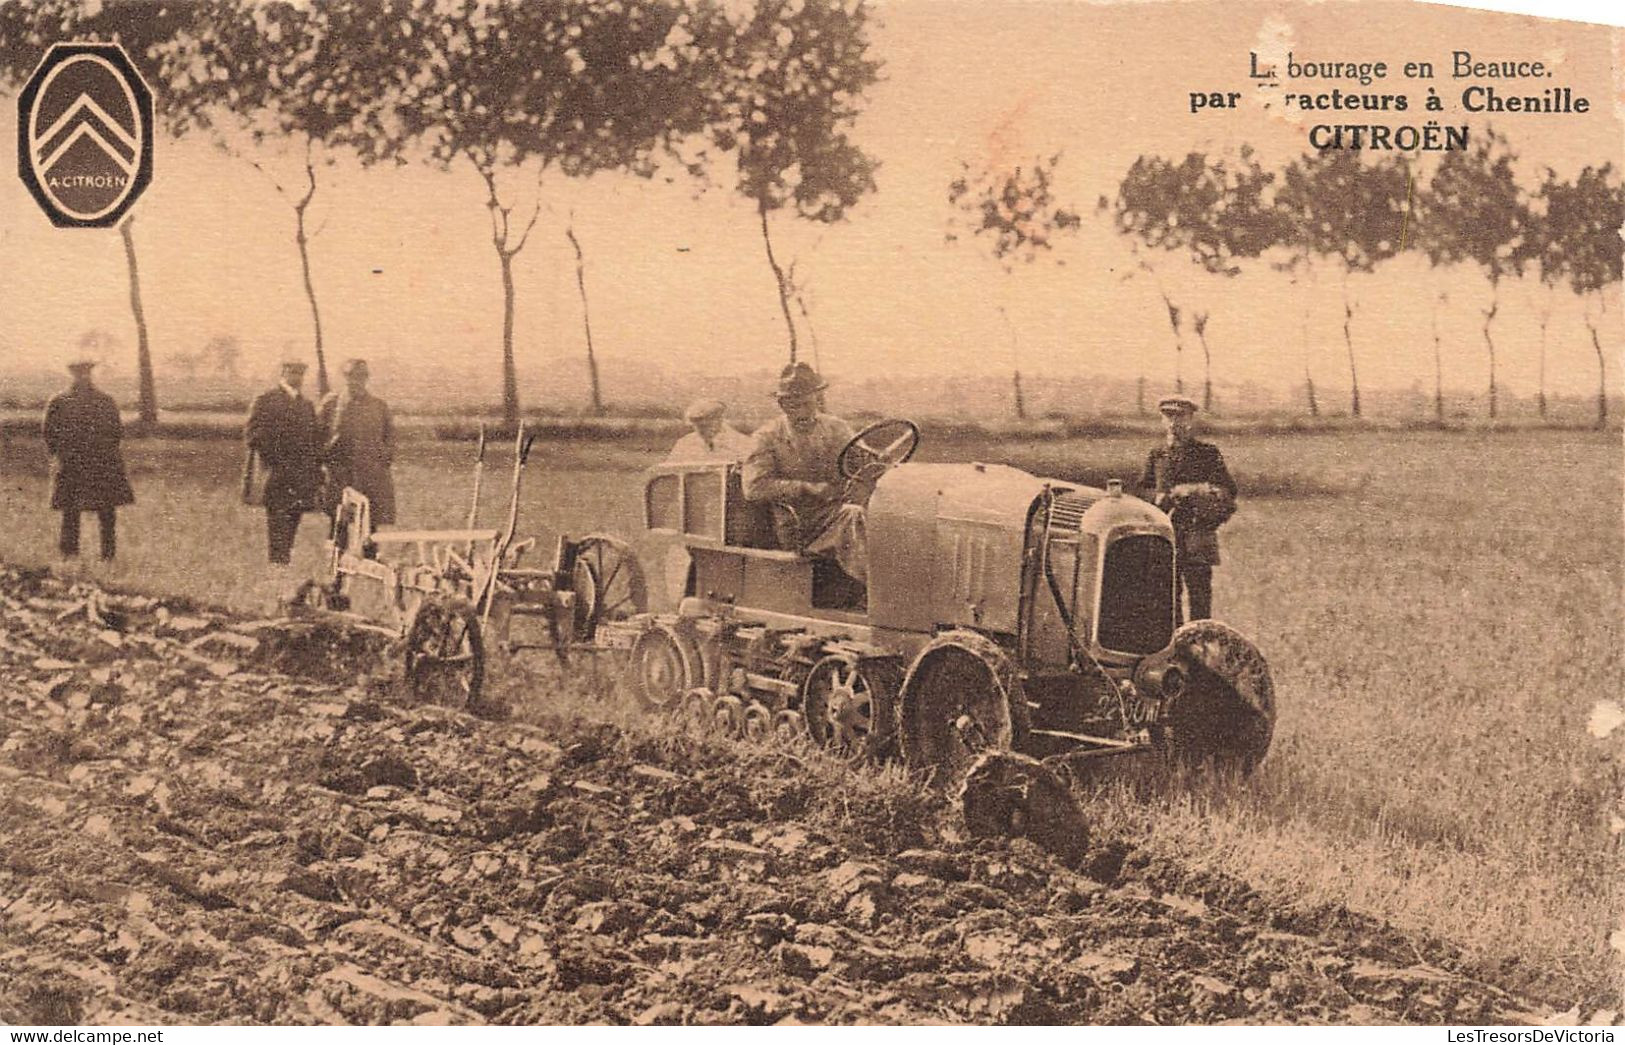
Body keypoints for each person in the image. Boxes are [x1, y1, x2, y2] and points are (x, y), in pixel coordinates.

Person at [741, 363, 867, 585]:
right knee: (853, 516)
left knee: (885, 514)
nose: (804, 413)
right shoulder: (767, 437)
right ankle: (877, 595)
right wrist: (808, 488)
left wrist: (876, 463)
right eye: (795, 406)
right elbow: (754, 488)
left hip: (836, 509)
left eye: (808, 404)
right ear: (782, 404)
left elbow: (861, 459)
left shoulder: (837, 428)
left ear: (817, 399)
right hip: (799, 522)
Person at [1140, 394, 1237, 624]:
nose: (1174, 423)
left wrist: (1192, 491)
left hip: (1198, 535)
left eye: (1180, 416)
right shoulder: (1157, 455)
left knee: (1200, 598)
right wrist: (1159, 498)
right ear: (1162, 420)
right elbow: (1142, 490)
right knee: (1167, 599)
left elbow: (1227, 490)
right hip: (1166, 536)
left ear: (1191, 419)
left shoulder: (1208, 454)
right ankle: (1172, 652)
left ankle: (1198, 648)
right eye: (1168, 416)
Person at [41, 358, 133, 561]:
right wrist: (61, 455)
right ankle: (69, 556)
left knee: (107, 513)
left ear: (90, 374)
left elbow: (116, 432)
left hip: (101, 463)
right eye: (78, 373)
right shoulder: (59, 401)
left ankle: (108, 557)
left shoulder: (105, 401)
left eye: (86, 372)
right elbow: (49, 433)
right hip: (73, 464)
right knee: (70, 513)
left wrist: (104, 454)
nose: (83, 377)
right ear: (72, 375)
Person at [244, 359, 322, 566]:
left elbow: (313, 440)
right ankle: (277, 566)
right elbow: (253, 436)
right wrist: (278, 461)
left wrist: (312, 470)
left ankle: (283, 565)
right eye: (292, 373)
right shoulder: (266, 400)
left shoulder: (306, 405)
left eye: (300, 374)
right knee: (278, 525)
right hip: (277, 476)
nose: (297, 378)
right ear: (283, 374)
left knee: (293, 523)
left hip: (300, 477)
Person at [318, 358, 397, 528]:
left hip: (370, 477)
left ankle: (369, 555)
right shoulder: (331, 404)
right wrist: (327, 460)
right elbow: (316, 438)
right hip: (340, 476)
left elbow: (389, 437)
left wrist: (382, 458)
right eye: (351, 376)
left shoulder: (379, 406)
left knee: (369, 527)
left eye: (361, 376)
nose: (356, 381)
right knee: (340, 526)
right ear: (344, 377)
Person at [666, 398, 753, 463]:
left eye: (707, 424)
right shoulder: (684, 444)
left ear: (719, 419)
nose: (701, 429)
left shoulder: (742, 443)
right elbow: (669, 472)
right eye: (696, 424)